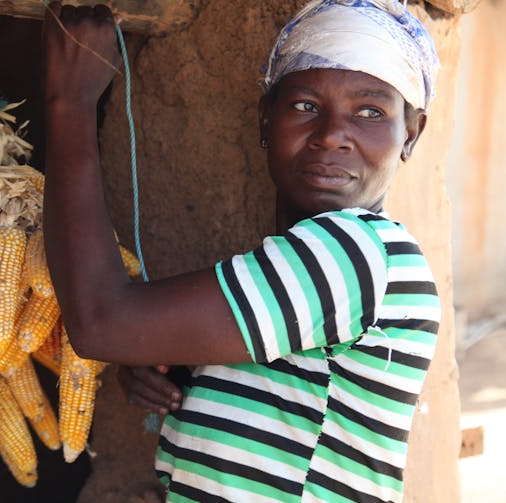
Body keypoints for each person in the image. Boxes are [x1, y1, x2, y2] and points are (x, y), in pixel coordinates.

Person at [41, 0, 441, 501]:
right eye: (304, 106)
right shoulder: (298, 270)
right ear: (264, 120)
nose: (333, 135)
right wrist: (182, 368)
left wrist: (70, 102)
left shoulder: (359, 253)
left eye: (369, 112)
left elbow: (101, 324)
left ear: (412, 134)